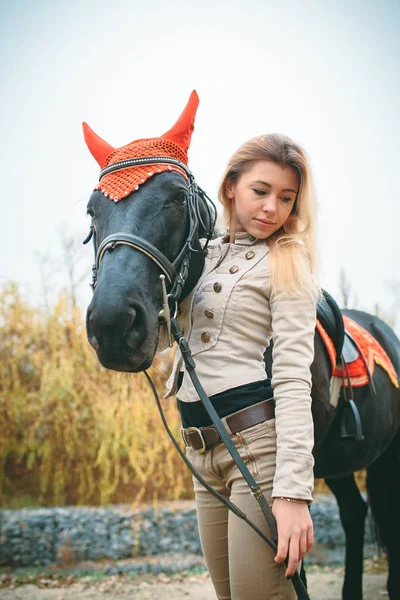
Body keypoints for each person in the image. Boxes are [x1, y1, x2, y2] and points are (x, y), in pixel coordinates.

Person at [165, 132, 320, 600]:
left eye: (286, 198)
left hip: (256, 451)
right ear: (230, 186)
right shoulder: (200, 254)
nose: (273, 207)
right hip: (200, 453)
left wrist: (293, 492)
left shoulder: (288, 262)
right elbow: (157, 339)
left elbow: (293, 378)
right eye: (261, 191)